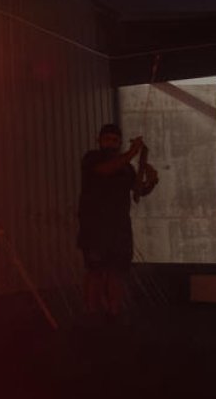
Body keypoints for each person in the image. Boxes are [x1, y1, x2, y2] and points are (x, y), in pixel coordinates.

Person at [77, 123, 158, 319]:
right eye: (107, 139)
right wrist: (133, 152)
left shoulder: (126, 168)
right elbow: (105, 170)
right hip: (94, 227)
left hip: (119, 228)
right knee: (95, 271)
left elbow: (137, 193)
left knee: (116, 271)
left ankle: (114, 313)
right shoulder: (92, 158)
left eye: (115, 140)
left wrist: (152, 181)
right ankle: (91, 313)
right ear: (99, 140)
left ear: (119, 142)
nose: (111, 143)